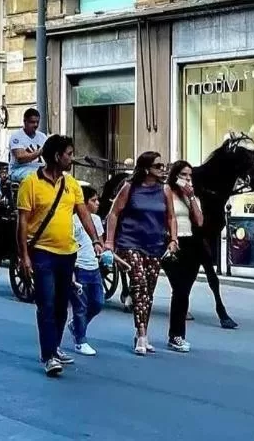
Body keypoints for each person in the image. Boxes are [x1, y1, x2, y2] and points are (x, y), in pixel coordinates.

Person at [17, 134, 102, 378]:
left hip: (68, 253)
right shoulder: (30, 184)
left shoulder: (72, 184)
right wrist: (24, 256)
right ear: (56, 156)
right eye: (68, 154)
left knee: (61, 305)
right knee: (46, 303)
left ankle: (54, 346)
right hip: (42, 252)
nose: (71, 158)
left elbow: (84, 214)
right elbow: (22, 222)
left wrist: (95, 239)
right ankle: (49, 355)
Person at [104, 151, 178, 356]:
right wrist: (110, 241)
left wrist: (173, 239)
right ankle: (142, 333)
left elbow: (171, 217)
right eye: (158, 166)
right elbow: (114, 213)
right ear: (146, 169)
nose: (162, 169)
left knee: (149, 292)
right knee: (139, 284)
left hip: (155, 245)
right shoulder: (130, 187)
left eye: (163, 166)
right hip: (130, 242)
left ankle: (141, 331)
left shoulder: (165, 190)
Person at [163, 161, 203, 353]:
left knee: (185, 290)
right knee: (178, 288)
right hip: (172, 242)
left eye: (190, 175)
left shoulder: (190, 195)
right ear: (175, 175)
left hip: (190, 242)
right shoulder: (167, 191)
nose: (188, 178)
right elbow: (168, 216)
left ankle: (178, 334)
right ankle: (175, 335)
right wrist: (172, 238)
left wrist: (191, 196)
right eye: (184, 174)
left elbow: (199, 220)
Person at [68, 184, 106, 357]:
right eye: (93, 200)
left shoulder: (96, 220)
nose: (97, 203)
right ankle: (80, 340)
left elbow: (100, 241)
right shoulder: (71, 220)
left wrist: (105, 254)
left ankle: (76, 324)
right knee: (80, 306)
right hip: (79, 266)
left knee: (98, 303)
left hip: (94, 266)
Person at [8, 107, 48, 183]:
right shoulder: (16, 136)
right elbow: (21, 158)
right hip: (20, 170)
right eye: (32, 122)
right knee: (36, 176)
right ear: (25, 121)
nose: (35, 125)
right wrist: (40, 152)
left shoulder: (42, 136)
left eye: (37, 122)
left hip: (40, 169)